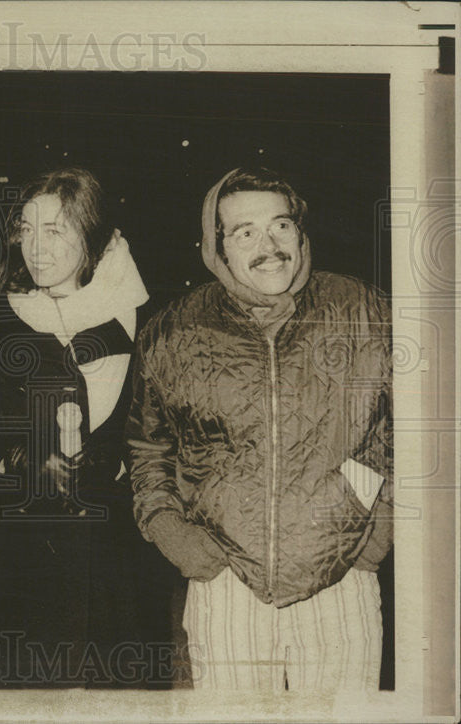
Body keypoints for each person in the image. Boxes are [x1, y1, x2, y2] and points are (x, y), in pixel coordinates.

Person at [126, 167, 393, 690]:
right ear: (217, 246)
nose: (268, 245)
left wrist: (379, 530)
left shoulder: (366, 311)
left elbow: (415, 428)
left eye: (281, 226)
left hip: (341, 574)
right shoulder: (172, 331)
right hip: (226, 582)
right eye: (244, 232)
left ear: (301, 232)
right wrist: (173, 535)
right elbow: (147, 450)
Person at [0, 167, 168, 688]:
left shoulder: (144, 322)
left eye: (56, 230)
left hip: (116, 563)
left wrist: (115, 462)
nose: (36, 248)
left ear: (92, 238)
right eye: (27, 228)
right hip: (18, 560)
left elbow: (163, 434)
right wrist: (15, 460)